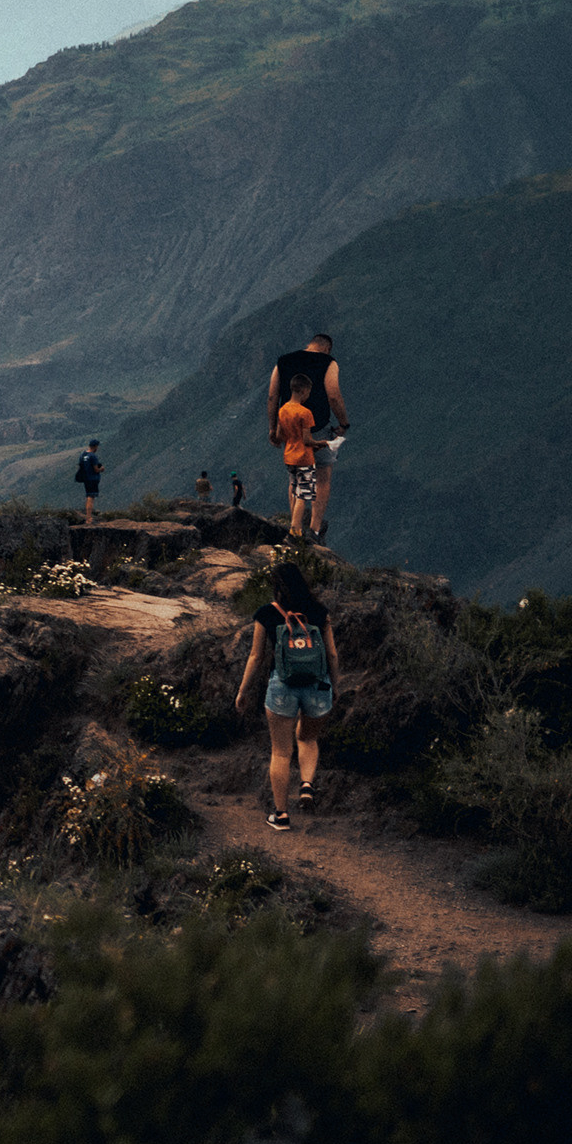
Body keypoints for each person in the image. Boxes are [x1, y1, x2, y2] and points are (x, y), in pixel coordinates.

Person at [236, 556, 339, 828]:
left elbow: (256, 657)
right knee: (308, 738)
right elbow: (331, 653)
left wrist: (243, 690)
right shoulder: (319, 611)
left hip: (282, 686)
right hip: (318, 686)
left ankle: (281, 815)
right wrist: (335, 686)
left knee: (281, 752)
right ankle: (306, 784)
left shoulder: (266, 614)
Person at [266, 329, 348, 542]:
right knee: (322, 477)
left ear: (310, 343)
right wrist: (343, 423)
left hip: (289, 429)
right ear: (327, 348)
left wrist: (272, 428)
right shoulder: (329, 363)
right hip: (317, 426)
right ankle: (314, 530)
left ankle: (296, 528)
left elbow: (273, 395)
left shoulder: (283, 361)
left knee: (295, 478)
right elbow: (333, 395)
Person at [73, 438, 103, 523]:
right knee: (91, 497)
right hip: (93, 479)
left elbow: (81, 466)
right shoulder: (93, 456)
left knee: (88, 496)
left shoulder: (83, 455)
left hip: (86, 479)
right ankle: (89, 518)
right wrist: (101, 469)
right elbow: (96, 469)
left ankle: (88, 516)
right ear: (95, 446)